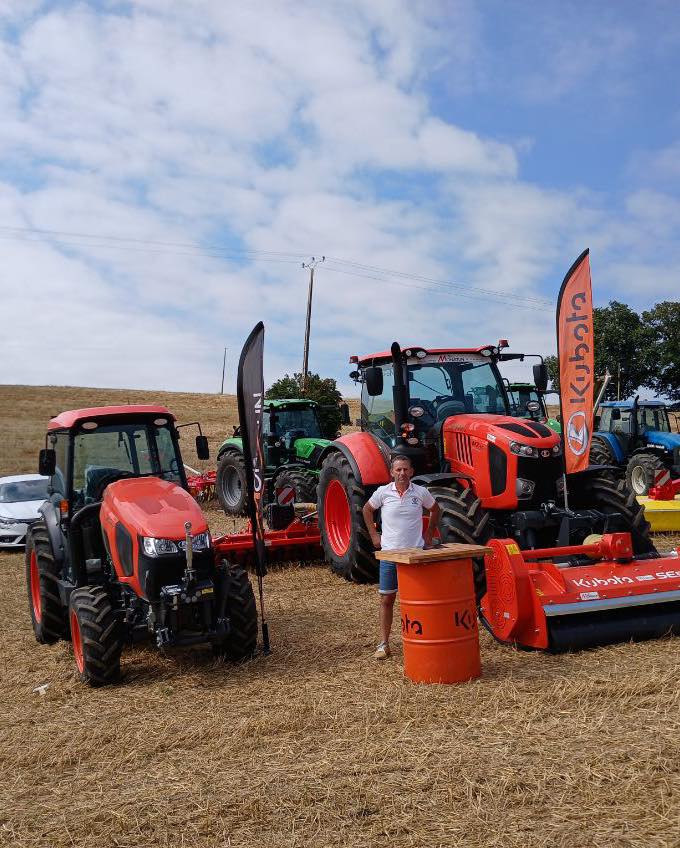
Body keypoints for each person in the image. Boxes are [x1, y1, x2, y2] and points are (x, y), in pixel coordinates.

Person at [362, 455, 441, 660]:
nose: (402, 473)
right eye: (398, 470)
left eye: (405, 470)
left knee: (418, 599)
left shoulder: (420, 492)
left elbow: (435, 510)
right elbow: (367, 510)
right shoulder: (383, 493)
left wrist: (429, 533)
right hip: (390, 554)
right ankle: (384, 644)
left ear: (412, 472)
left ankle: (422, 640)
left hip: (414, 555)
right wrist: (373, 535)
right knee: (387, 598)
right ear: (392, 472)